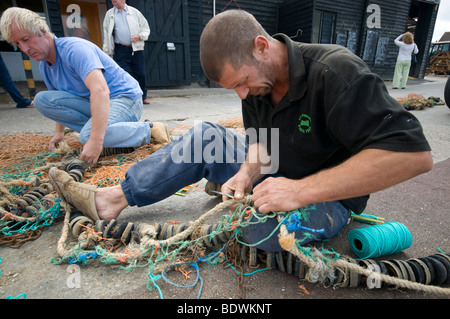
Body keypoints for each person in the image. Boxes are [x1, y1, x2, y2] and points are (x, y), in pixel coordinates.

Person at [48, 10, 432, 252]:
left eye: (244, 82)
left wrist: (297, 190)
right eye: (234, 88)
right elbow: (262, 143)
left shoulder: (336, 71)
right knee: (202, 137)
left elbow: (413, 155)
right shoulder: (255, 84)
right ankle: (112, 200)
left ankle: (268, 200)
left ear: (262, 46)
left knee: (256, 230)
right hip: (277, 167)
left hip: (329, 196)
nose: (243, 94)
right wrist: (249, 171)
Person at [0, 7, 169, 165]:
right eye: (18, 44)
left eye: (26, 39)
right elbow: (59, 99)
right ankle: (115, 134)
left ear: (43, 32)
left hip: (124, 99)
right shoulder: (45, 66)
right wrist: (59, 134)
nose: (25, 48)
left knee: (89, 135)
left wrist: (95, 140)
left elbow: (100, 90)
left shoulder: (74, 49)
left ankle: (151, 129)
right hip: (101, 105)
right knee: (42, 100)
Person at [103, 0, 151, 104]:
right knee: (124, 73)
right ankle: (129, 97)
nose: (113, 0)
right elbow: (106, 33)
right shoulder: (110, 14)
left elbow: (145, 29)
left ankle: (143, 96)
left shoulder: (134, 12)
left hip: (136, 48)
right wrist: (107, 50)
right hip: (120, 49)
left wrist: (140, 36)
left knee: (140, 73)